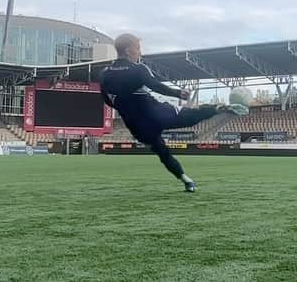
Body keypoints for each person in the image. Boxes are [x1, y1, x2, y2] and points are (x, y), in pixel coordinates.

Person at [100, 33, 234, 192]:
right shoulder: (138, 69)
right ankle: (216, 109)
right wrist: (178, 93)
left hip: (136, 126)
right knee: (188, 117)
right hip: (156, 115)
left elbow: (108, 100)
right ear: (129, 50)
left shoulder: (104, 74)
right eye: (138, 48)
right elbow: (156, 85)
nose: (140, 53)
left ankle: (186, 180)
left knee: (163, 153)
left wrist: (126, 108)